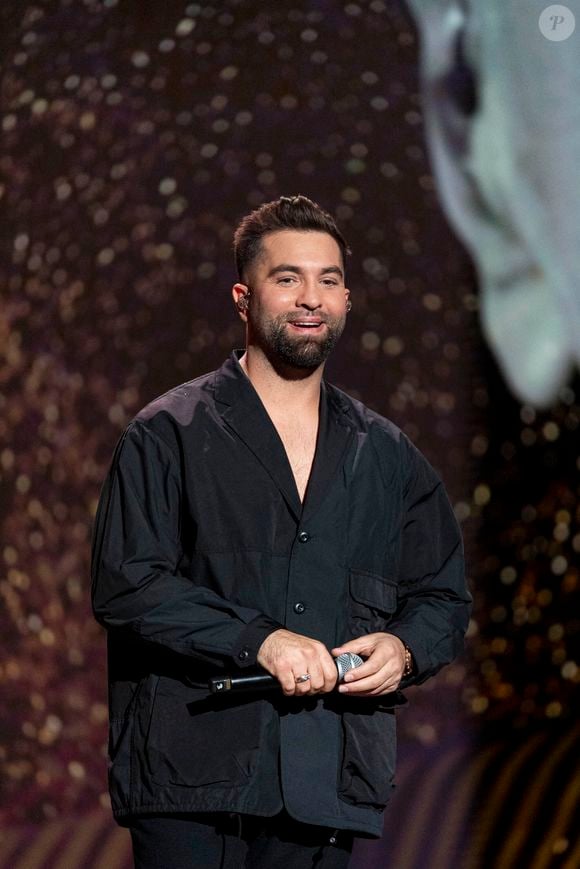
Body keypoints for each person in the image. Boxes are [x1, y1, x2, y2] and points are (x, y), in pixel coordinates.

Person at [91, 194, 472, 868]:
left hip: (325, 782)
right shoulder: (168, 433)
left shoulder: (387, 456)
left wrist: (403, 647)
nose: (310, 298)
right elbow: (128, 582)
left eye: (328, 280)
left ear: (348, 300)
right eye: (287, 277)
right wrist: (256, 640)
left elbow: (443, 597)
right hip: (193, 778)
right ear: (244, 297)